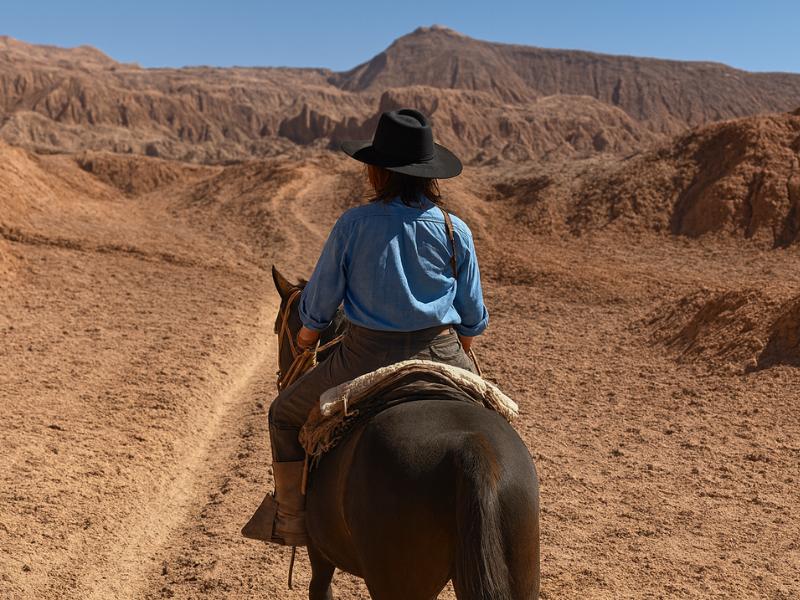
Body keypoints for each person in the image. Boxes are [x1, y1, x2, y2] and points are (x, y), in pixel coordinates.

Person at [247, 108, 489, 547]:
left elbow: (319, 304)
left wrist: (305, 338)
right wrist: (459, 344)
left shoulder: (353, 224)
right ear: (428, 172)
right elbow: (472, 320)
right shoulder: (457, 231)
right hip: (444, 353)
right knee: (494, 425)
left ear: (378, 172)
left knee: (282, 415)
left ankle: (291, 520)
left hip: (364, 356)